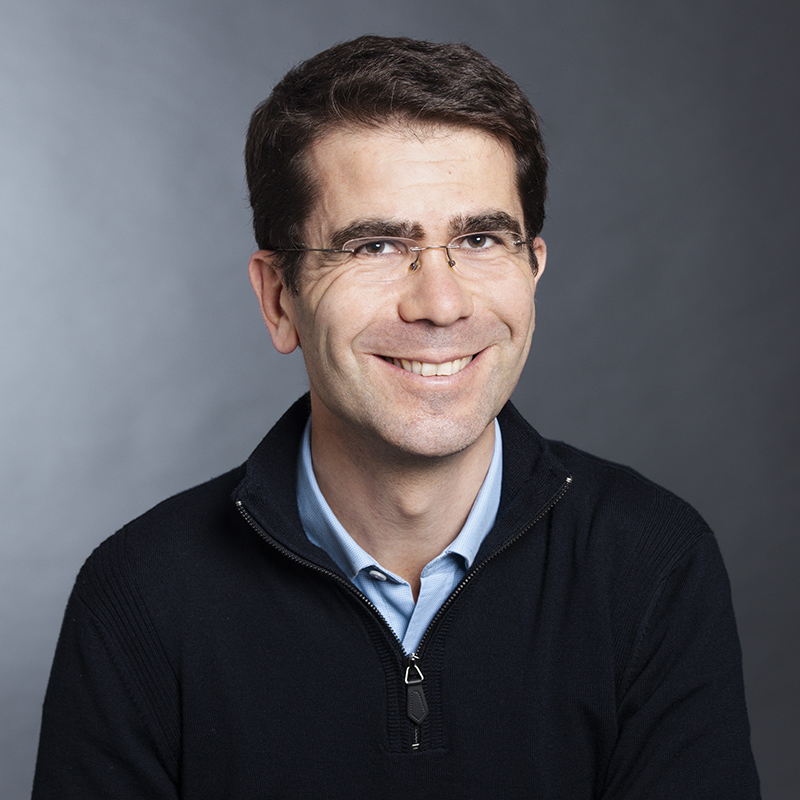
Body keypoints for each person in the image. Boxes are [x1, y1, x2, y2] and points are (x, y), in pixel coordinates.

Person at [32, 35, 760, 799]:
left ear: (533, 271)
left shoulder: (652, 564)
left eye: (480, 239)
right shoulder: (139, 599)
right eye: (376, 245)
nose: (440, 304)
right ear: (280, 300)